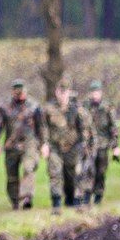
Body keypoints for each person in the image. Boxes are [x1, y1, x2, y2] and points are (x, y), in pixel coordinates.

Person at [39, 80, 95, 210]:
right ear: (56, 92)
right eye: (60, 92)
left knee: (74, 174)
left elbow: (86, 126)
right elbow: (43, 128)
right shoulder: (48, 109)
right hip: (55, 147)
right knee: (55, 172)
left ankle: (73, 200)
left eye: (65, 92)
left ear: (69, 93)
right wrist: (44, 144)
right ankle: (56, 202)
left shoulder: (76, 108)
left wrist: (86, 145)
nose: (62, 95)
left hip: (73, 147)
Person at [0, 79, 44, 209]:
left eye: (21, 92)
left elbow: (41, 127)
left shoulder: (34, 106)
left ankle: (26, 198)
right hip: (11, 146)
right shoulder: (4, 107)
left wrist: (44, 144)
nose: (19, 94)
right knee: (12, 176)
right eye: (16, 92)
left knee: (28, 168)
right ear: (12, 92)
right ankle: (15, 202)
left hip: (29, 144)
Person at [80, 80, 120, 202]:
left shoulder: (107, 107)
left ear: (101, 93)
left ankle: (98, 196)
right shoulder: (84, 106)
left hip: (103, 144)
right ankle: (86, 196)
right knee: (87, 170)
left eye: (97, 92)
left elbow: (114, 127)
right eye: (93, 92)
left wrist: (115, 146)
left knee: (100, 172)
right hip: (88, 145)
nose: (95, 95)